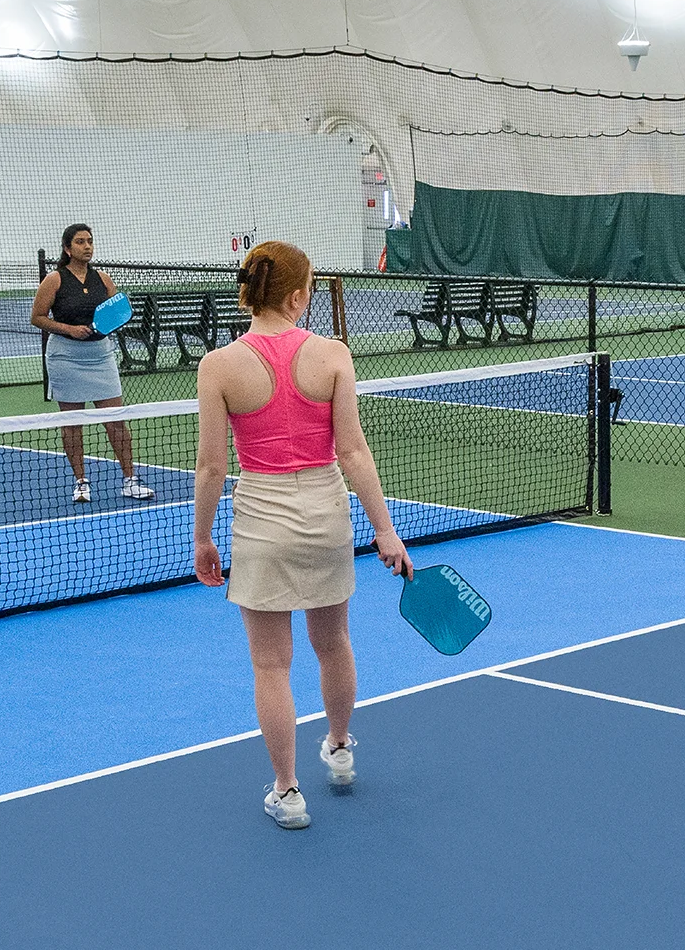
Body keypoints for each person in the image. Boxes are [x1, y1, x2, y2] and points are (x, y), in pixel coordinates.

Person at [192, 241, 413, 829]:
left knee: (271, 665)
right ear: (296, 295)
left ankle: (287, 792)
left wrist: (202, 540)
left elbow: (212, 467)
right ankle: (339, 750)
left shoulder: (217, 366)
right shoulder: (333, 354)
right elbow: (354, 452)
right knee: (334, 642)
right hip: (326, 517)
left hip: (261, 522)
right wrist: (386, 532)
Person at [30, 224, 153, 503]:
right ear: (67, 248)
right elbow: (37, 317)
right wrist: (68, 329)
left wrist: (107, 326)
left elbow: (118, 312)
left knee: (116, 422)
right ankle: (81, 482)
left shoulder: (103, 279)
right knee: (73, 423)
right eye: (80, 242)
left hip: (100, 356)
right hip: (65, 356)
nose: (87, 246)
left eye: (90, 241)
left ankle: (130, 480)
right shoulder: (55, 280)